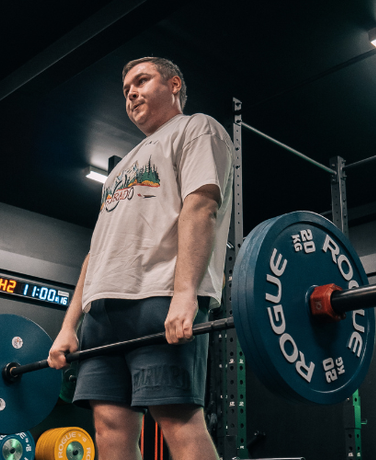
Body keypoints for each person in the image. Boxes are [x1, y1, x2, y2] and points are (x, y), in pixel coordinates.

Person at [47, 57, 232, 460]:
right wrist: (69, 326)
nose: (131, 92)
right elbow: (96, 252)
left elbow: (201, 207)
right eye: (126, 88)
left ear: (175, 84)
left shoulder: (197, 128)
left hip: (159, 297)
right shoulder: (117, 172)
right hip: (102, 313)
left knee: (178, 419)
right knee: (108, 429)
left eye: (142, 80)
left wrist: (184, 295)